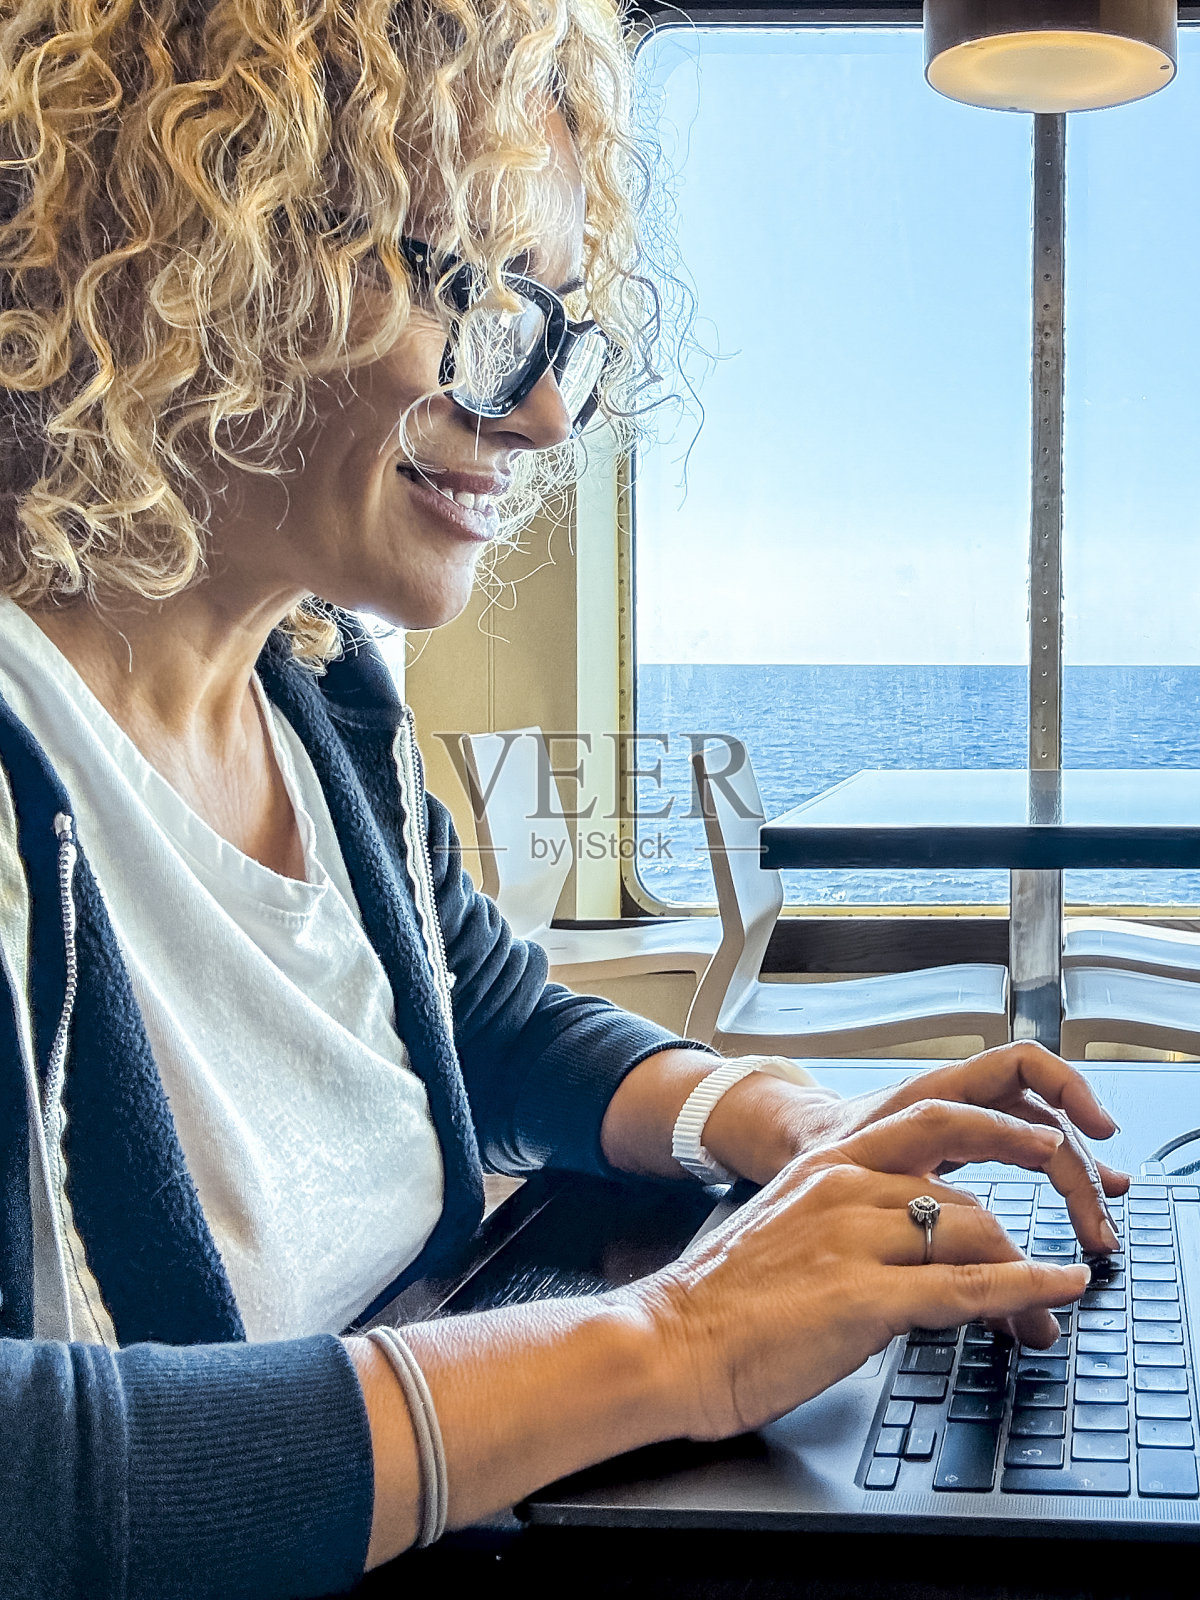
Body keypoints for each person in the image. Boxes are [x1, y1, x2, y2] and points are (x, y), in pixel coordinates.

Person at [0, 1, 1127, 1595]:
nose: (537, 414)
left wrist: (793, 1123)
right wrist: (672, 1339)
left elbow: (495, 1026)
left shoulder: (316, 696)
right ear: (206, 253)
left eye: (562, 340)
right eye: (481, 306)